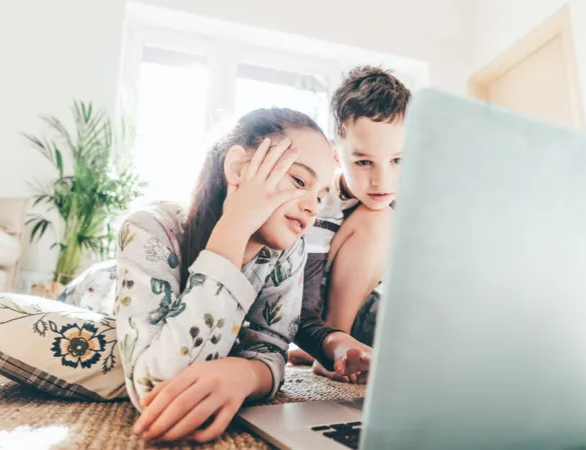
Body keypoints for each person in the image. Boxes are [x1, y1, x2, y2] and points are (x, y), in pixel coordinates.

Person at [57, 108, 335, 443]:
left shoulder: (289, 251)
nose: (313, 207)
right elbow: (156, 385)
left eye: (321, 196)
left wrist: (245, 374)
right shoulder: (149, 227)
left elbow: (272, 346)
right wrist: (235, 225)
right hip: (97, 290)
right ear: (238, 169)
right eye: (300, 181)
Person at [291, 66, 410, 383]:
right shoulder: (320, 205)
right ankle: (334, 351)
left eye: (398, 160)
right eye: (363, 162)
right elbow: (305, 304)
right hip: (340, 319)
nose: (381, 180)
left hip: (390, 306)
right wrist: (327, 341)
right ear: (336, 156)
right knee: (378, 218)